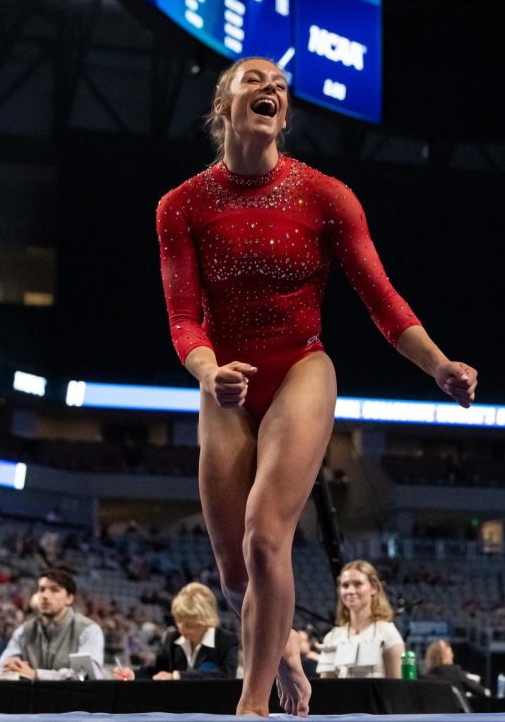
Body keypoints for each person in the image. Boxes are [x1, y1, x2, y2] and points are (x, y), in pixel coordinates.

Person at [156, 56, 476, 716]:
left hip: (301, 366)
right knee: (235, 572)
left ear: (285, 114)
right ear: (223, 107)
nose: (271, 87)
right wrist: (209, 373)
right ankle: (289, 657)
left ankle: (254, 705)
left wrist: (439, 365)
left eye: (279, 85)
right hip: (226, 381)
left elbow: (383, 302)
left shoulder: (325, 197)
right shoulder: (180, 207)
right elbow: (184, 316)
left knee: (265, 535)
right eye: (254, 79)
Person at [0, 568, 105, 680]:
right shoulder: (24, 631)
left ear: (69, 599)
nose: (45, 596)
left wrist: (37, 675)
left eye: (54, 590)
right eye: (42, 589)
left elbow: (87, 676)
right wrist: (9, 667)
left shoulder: (88, 630)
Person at [111, 582, 238, 680]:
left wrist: (177, 677)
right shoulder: (171, 638)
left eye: (189, 624)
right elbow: (156, 671)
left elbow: (226, 675)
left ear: (205, 622)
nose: (181, 627)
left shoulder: (227, 641)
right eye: (178, 621)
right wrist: (132, 674)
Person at [316, 560, 405, 678]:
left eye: (358, 584)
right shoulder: (332, 637)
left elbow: (398, 688)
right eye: (345, 585)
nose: (350, 591)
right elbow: (326, 688)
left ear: (374, 589)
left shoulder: (387, 633)